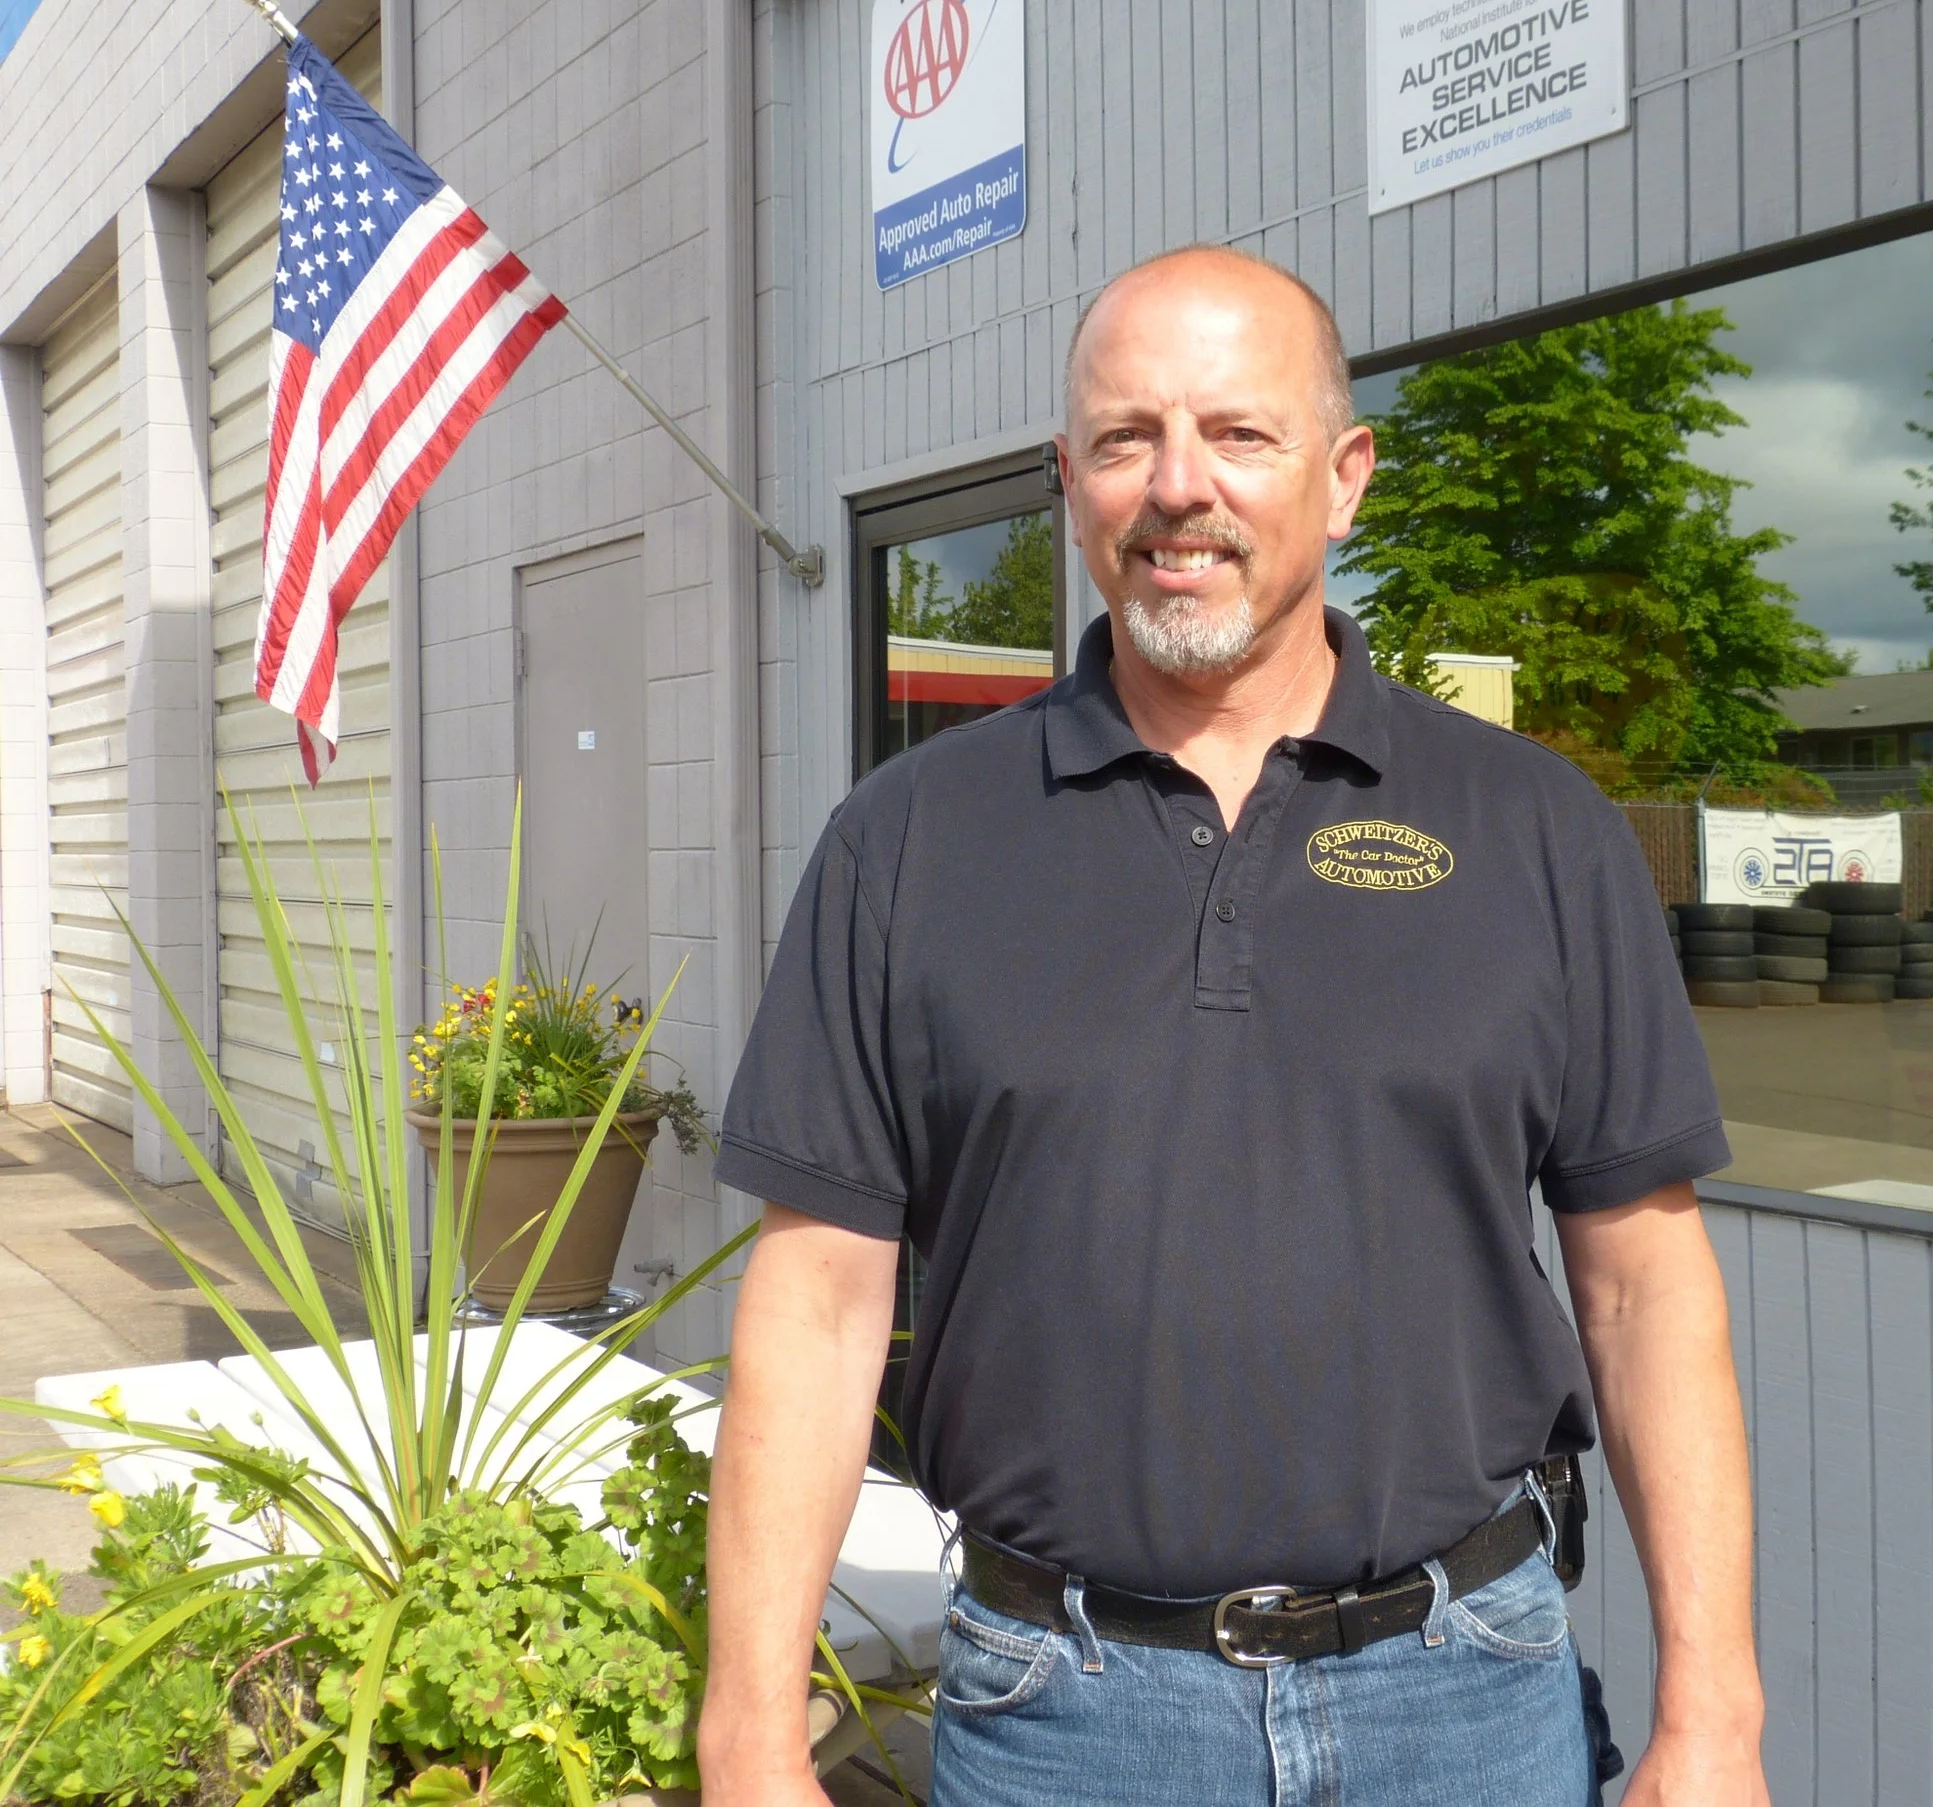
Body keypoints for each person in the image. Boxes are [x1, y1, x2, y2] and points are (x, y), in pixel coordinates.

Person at [697, 244, 1771, 1807]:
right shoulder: (908, 843)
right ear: (1070, 483)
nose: (1176, 488)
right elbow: (814, 1305)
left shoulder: (1536, 830)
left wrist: (1716, 1715)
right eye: (1127, 439)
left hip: (1466, 1701)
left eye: (1239, 435)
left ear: (1345, 479)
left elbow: (1646, 1291)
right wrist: (746, 1737)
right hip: (1066, 1716)